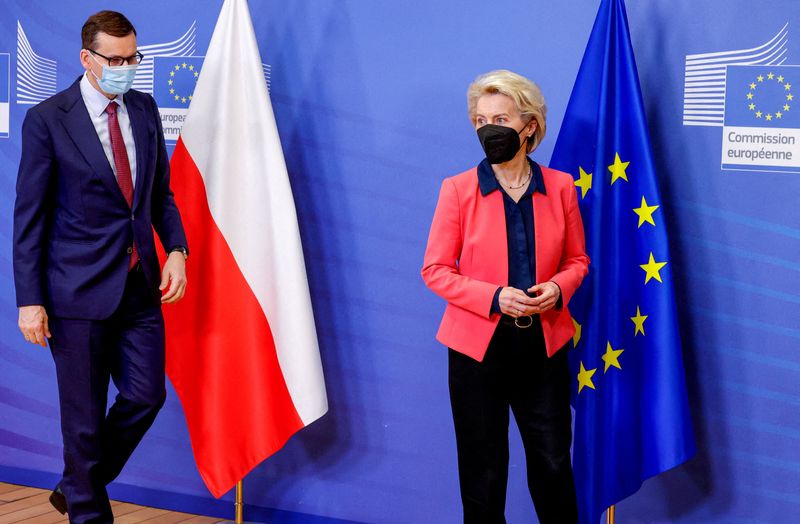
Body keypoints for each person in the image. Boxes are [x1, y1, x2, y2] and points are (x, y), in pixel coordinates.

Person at [13, 10, 189, 523]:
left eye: (133, 57)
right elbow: (30, 218)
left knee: (146, 396)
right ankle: (87, 509)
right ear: (87, 59)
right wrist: (30, 300)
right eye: (115, 59)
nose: (126, 66)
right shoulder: (48, 119)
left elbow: (161, 195)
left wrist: (176, 249)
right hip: (74, 296)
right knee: (84, 425)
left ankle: (76, 484)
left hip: (138, 289)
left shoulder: (146, 109)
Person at [421, 70, 589, 523]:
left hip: (544, 347)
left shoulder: (560, 187)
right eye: (480, 120)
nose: (488, 128)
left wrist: (558, 288)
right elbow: (434, 270)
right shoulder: (456, 190)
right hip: (478, 351)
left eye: (500, 118)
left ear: (529, 125)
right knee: (484, 471)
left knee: (553, 464)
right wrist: (495, 297)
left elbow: (578, 261)